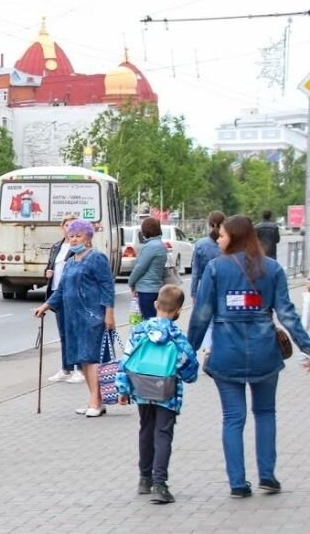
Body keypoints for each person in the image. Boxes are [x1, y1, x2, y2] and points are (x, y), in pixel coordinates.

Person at [187, 215, 310, 497]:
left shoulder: (216, 269)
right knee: (265, 413)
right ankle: (267, 475)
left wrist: (187, 351)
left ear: (236, 237)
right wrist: (307, 347)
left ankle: (237, 484)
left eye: (222, 235)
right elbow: (288, 315)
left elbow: (202, 314)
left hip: (226, 354)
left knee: (233, 417)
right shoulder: (273, 269)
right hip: (265, 352)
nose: (217, 238)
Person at [116, 285, 199, 504]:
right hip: (167, 392)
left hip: (142, 388)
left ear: (155, 304)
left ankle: (144, 479)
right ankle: (160, 483)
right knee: (163, 434)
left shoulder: (139, 330)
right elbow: (189, 369)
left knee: (146, 429)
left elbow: (126, 360)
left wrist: (123, 389)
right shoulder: (177, 336)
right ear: (179, 311)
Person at [32, 220, 115, 417]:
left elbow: (107, 286)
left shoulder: (97, 258)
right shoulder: (70, 262)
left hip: (92, 315)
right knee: (82, 360)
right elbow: (61, 290)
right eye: (71, 236)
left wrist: (109, 313)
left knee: (91, 358)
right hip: (72, 317)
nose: (74, 239)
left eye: (78, 235)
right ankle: (95, 400)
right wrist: (45, 305)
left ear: (88, 237)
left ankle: (95, 401)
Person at [45, 215, 84, 383]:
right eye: (67, 226)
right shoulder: (57, 246)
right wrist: (47, 272)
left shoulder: (81, 249)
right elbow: (50, 265)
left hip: (73, 294)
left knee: (75, 331)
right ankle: (66, 367)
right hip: (57, 291)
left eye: (73, 226)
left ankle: (80, 368)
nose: (69, 229)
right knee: (63, 333)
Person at [128, 217, 168, 320]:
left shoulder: (151, 246)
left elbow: (140, 268)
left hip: (146, 290)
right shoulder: (160, 245)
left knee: (148, 321)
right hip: (156, 287)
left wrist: (131, 282)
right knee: (154, 320)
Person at [190, 211, 226, 303]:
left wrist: (193, 293)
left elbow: (195, 272)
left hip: (205, 287)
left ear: (209, 225)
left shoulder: (200, 244)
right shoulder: (228, 244)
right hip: (224, 287)